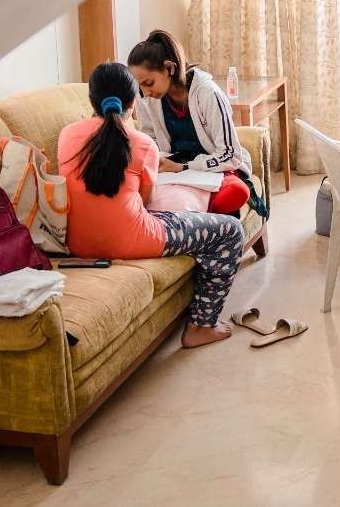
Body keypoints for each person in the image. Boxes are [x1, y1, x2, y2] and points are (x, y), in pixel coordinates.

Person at [58, 62, 247, 349]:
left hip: (78, 243)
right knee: (230, 231)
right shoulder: (142, 143)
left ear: (91, 100)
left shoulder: (67, 135)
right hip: (133, 240)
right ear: (132, 103)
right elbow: (146, 200)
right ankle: (202, 325)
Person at [127, 30, 254, 217]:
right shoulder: (147, 97)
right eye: (140, 86)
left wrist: (184, 167)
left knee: (235, 192)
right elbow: (151, 141)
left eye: (149, 83)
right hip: (173, 169)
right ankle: (189, 213)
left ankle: (194, 214)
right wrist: (156, 161)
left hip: (214, 168)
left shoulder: (208, 93)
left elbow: (231, 155)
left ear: (169, 68)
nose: (145, 92)